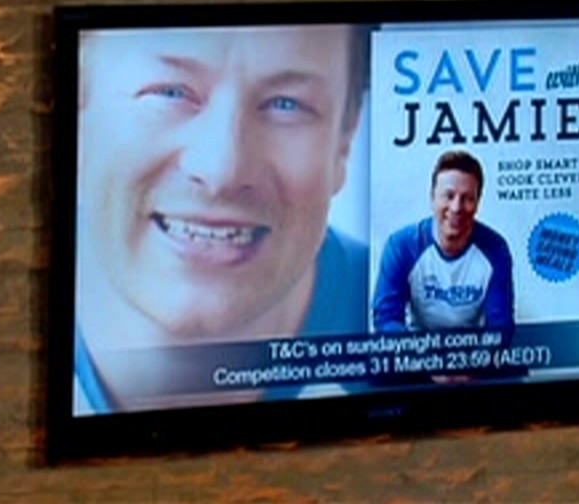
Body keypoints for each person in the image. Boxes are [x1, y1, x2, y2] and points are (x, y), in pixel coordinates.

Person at [73, 24, 372, 413]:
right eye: (170, 92)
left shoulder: (412, 317)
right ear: (79, 115)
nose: (222, 170)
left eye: (286, 104)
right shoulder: (4, 316)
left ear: (343, 145)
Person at [371, 149, 516, 334]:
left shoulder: (496, 249)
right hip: (415, 345)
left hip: (473, 348)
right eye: (449, 196)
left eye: (467, 198)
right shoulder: (401, 246)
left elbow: (500, 326)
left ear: (478, 202)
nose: (456, 208)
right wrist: (419, 350)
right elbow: (386, 318)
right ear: (432, 197)